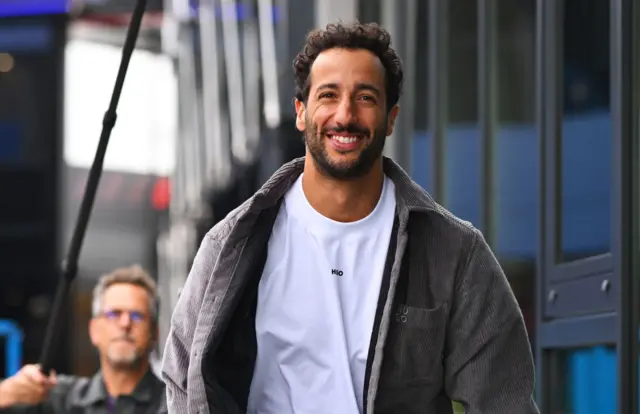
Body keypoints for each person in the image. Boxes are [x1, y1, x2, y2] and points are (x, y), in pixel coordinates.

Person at [162, 21, 539, 414]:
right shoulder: (231, 244)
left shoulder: (453, 252)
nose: (345, 115)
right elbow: (184, 376)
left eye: (365, 98)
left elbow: (504, 399)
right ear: (301, 112)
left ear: (391, 118)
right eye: (328, 95)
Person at [0, 265, 166, 413]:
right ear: (93, 330)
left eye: (137, 315)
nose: (125, 323)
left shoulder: (175, 405)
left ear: (154, 332)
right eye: (113, 314)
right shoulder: (55, 399)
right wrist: (8, 392)